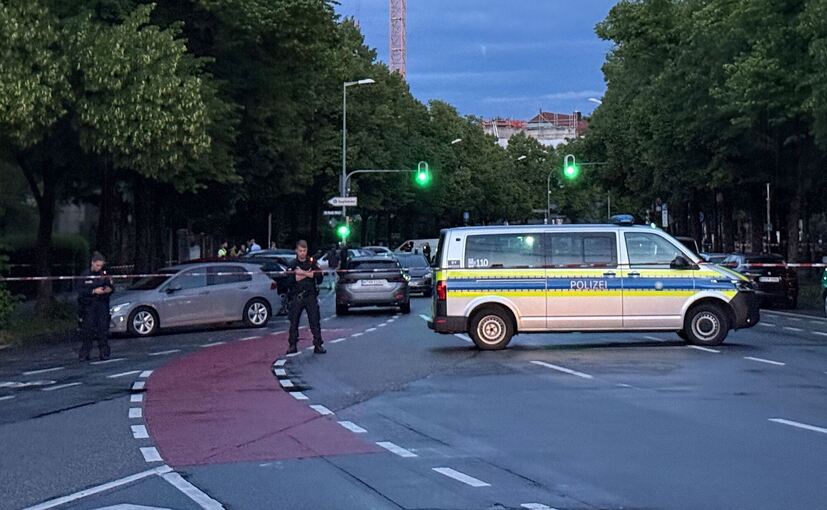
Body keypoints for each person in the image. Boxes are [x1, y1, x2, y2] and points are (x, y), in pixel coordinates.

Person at [285, 240, 325, 354]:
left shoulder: (312, 263)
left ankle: (318, 344)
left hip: (310, 295)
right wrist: (308, 274)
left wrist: (302, 273)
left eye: (304, 250)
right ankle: (292, 345)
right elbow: (290, 280)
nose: (302, 253)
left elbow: (319, 276)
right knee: (294, 321)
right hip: (297, 296)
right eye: (300, 251)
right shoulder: (292, 264)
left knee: (314, 320)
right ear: (296, 251)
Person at [77, 252, 114, 361]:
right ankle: (85, 353)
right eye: (97, 265)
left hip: (102, 305)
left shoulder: (104, 274)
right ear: (92, 263)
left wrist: (107, 290)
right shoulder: (84, 275)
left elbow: (111, 287)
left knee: (103, 330)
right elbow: (80, 291)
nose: (99, 268)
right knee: (88, 330)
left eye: (101, 266)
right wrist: (93, 291)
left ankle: (104, 353)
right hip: (88, 306)